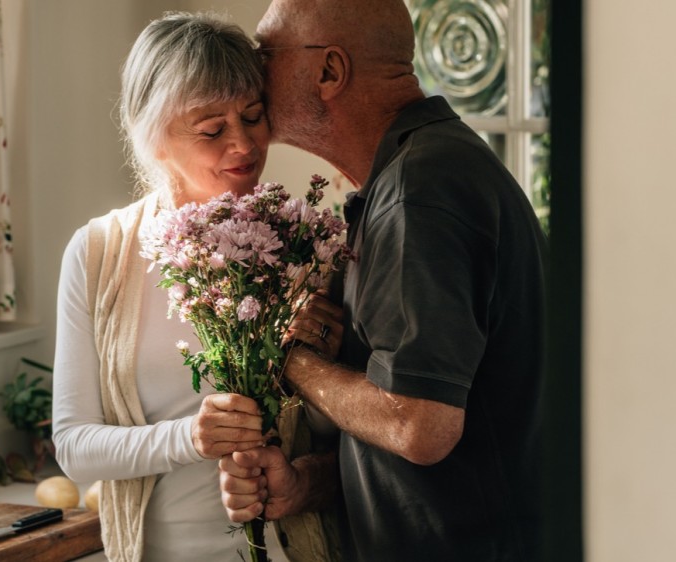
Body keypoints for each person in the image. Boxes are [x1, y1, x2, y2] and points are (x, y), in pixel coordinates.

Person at [219, 0, 549, 561]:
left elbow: (420, 427)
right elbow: (431, 438)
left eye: (266, 52)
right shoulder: (417, 174)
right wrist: (305, 484)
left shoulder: (418, 194)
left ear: (329, 72)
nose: (252, 70)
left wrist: (289, 360)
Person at [51, 12, 289, 562]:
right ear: (153, 137)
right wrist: (191, 439)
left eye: (254, 116)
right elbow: (75, 447)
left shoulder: (300, 249)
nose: (245, 143)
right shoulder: (98, 255)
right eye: (211, 129)